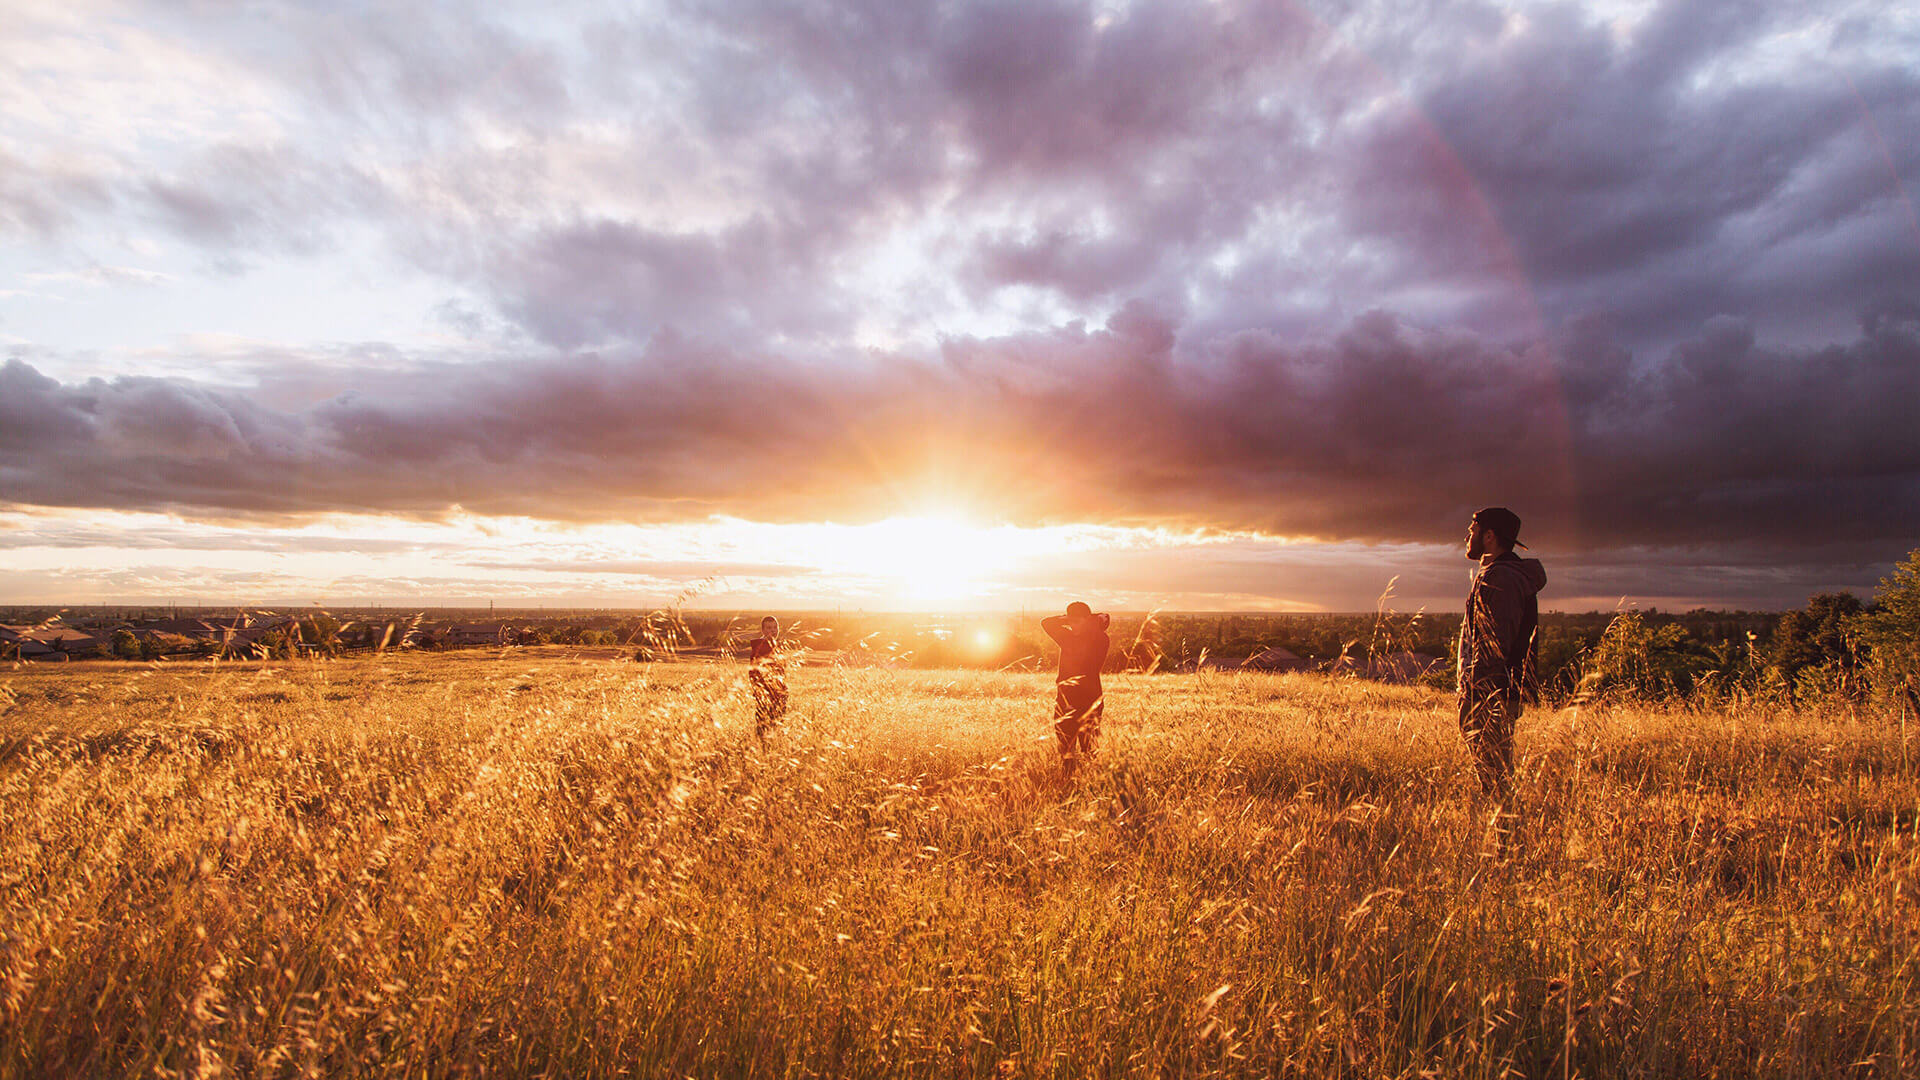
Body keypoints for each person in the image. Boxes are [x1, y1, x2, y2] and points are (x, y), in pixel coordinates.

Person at [1457, 507, 1548, 798]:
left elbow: (1496, 644)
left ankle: (1506, 837)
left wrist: (1480, 692)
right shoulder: (1496, 574)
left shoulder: (1502, 579)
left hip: (1489, 695)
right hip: (1489, 693)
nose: (1466, 537)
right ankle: (1503, 833)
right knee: (1493, 778)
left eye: (1472, 531)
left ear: (1489, 535)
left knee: (1496, 782)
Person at [1041, 602, 1111, 775]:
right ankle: (1068, 782)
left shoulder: (1100, 639)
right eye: (1070, 622)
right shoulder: (1067, 637)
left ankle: (1092, 785)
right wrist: (1070, 618)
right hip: (1065, 699)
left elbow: (1099, 628)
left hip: (1089, 700)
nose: (1073, 626)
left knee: (1090, 749)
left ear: (1088, 621)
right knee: (1066, 749)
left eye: (1076, 622)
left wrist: (1090, 620)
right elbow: (1046, 623)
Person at [749, 615, 788, 738]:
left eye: (775, 627)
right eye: (769, 627)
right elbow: (754, 673)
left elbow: (781, 672)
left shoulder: (777, 646)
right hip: (766, 694)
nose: (773, 630)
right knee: (764, 727)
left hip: (778, 694)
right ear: (763, 630)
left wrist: (784, 690)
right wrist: (762, 691)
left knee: (777, 727)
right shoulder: (759, 648)